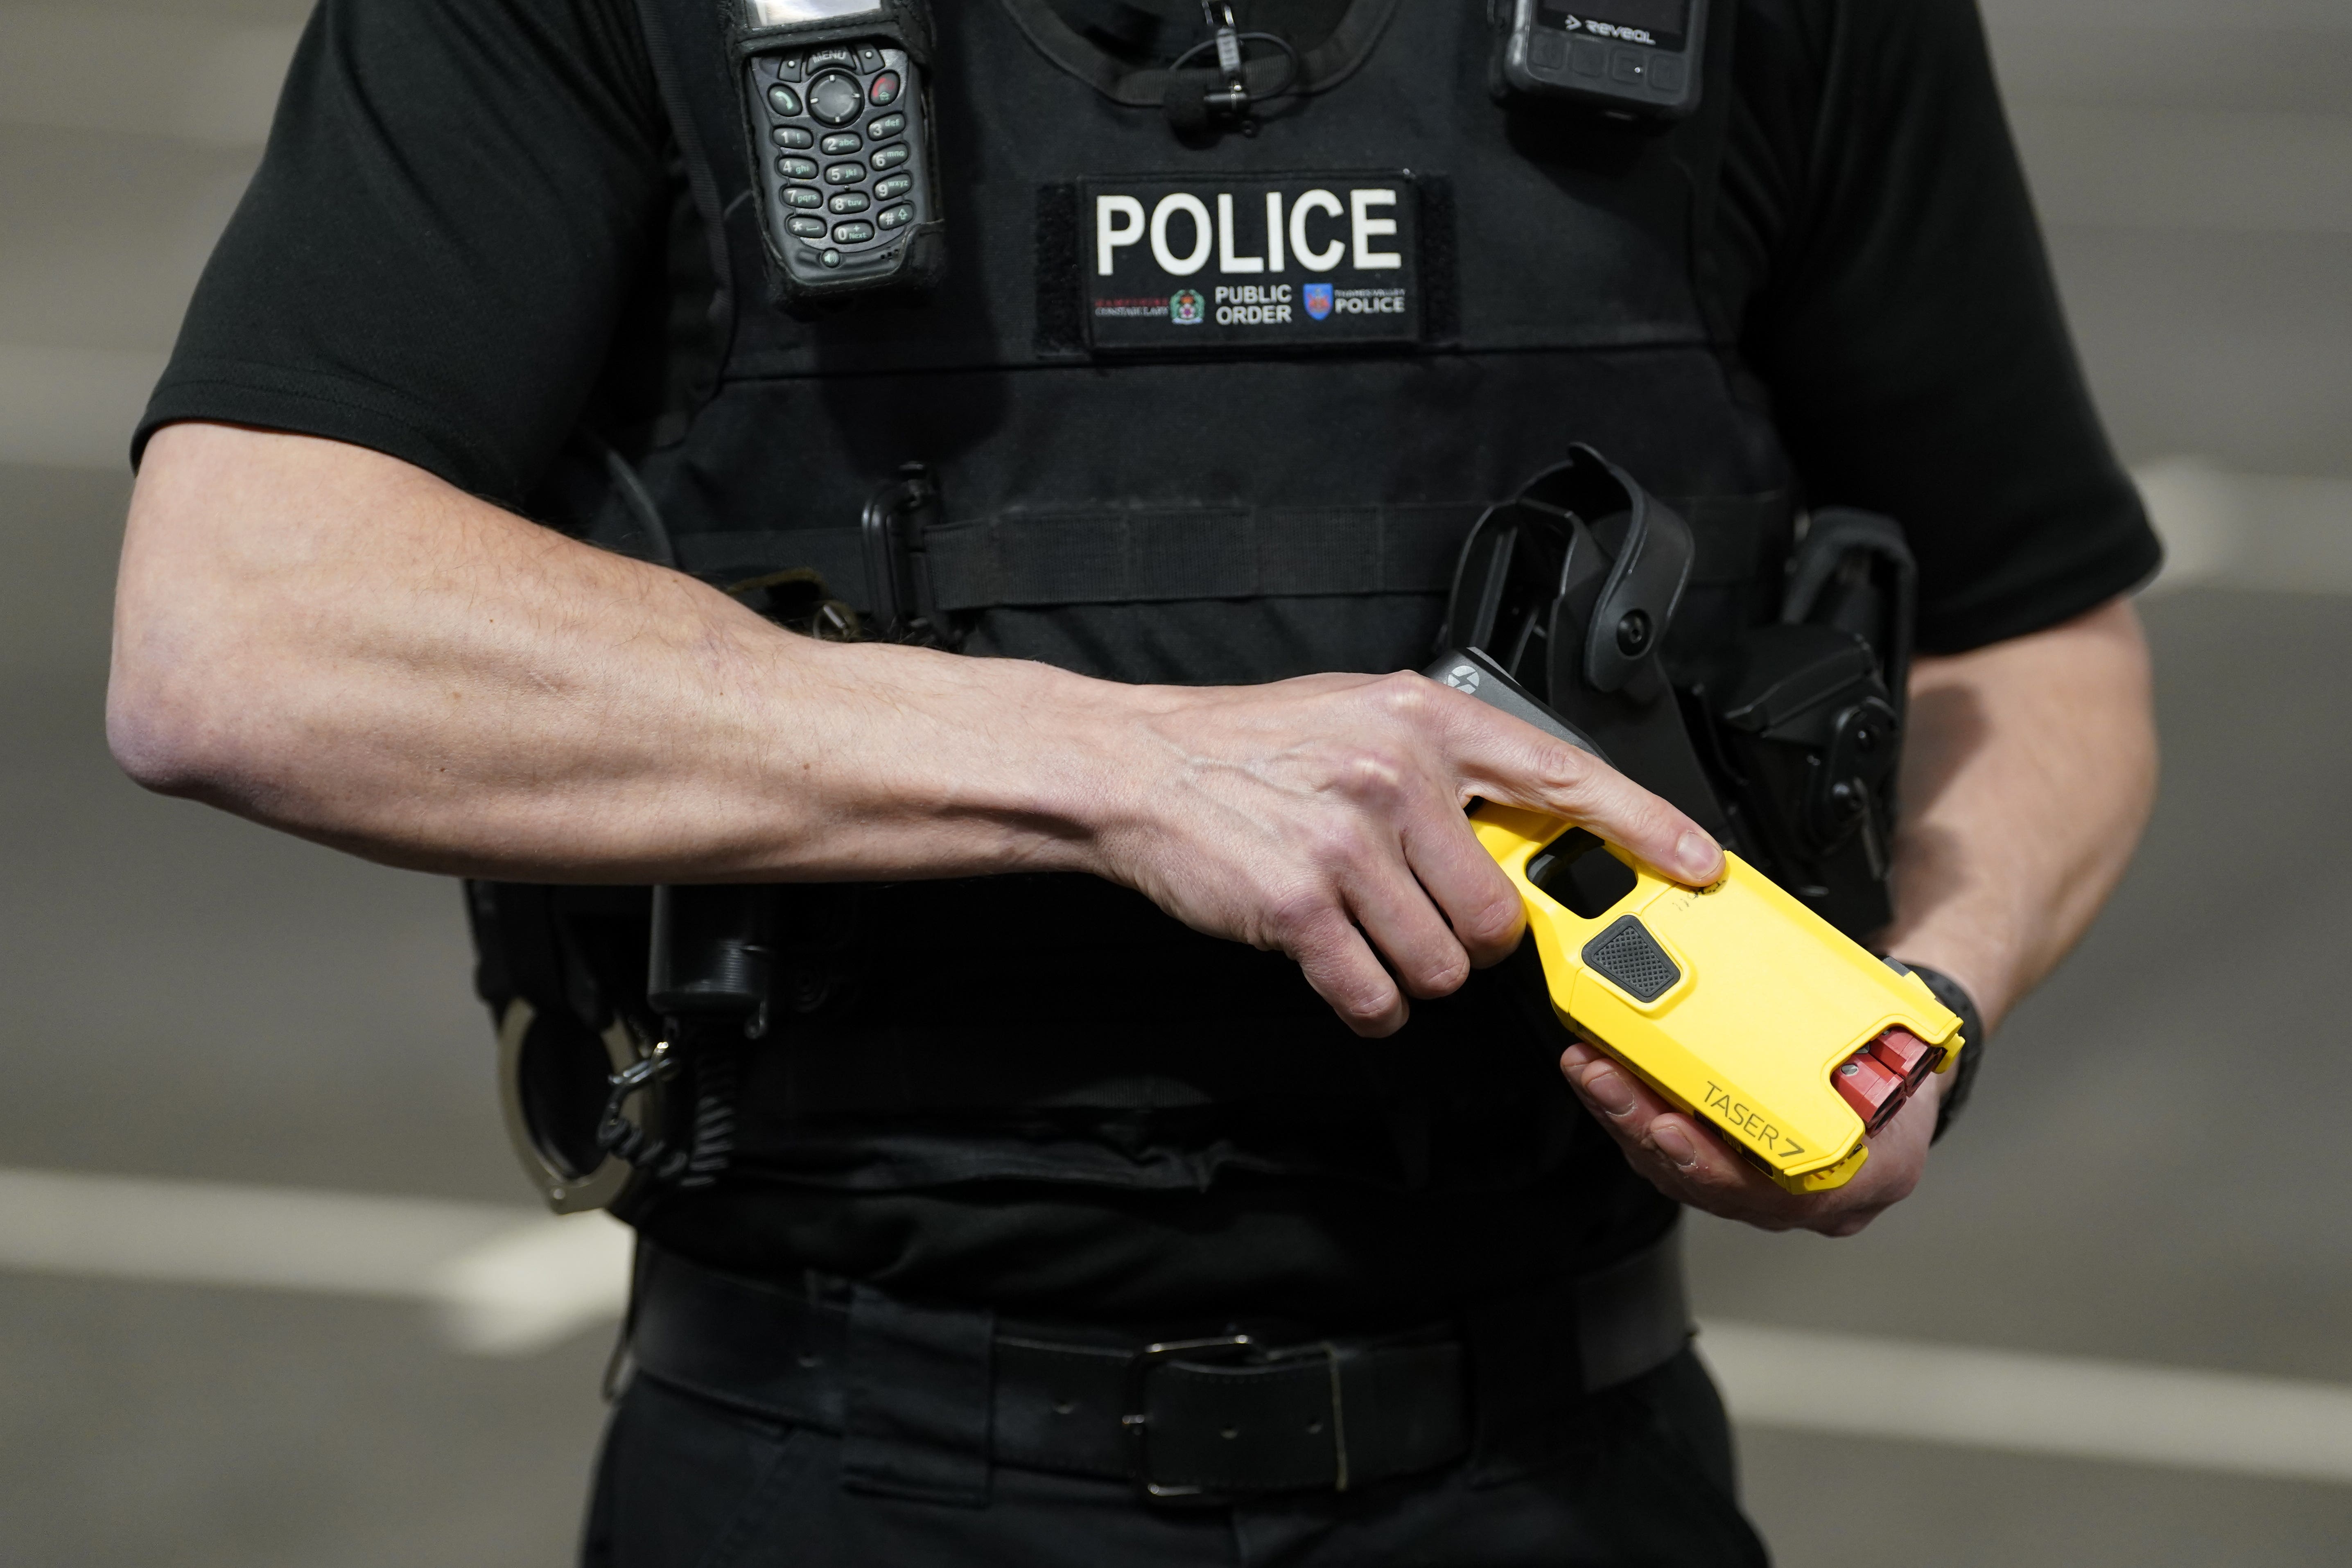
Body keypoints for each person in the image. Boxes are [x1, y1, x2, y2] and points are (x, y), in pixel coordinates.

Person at [108, 0, 2160, 1561]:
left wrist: (1918, 1022)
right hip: (843, 1455)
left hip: (1562, 1456)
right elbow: (245, 630)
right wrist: (1115, 768)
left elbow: (2037, 639)